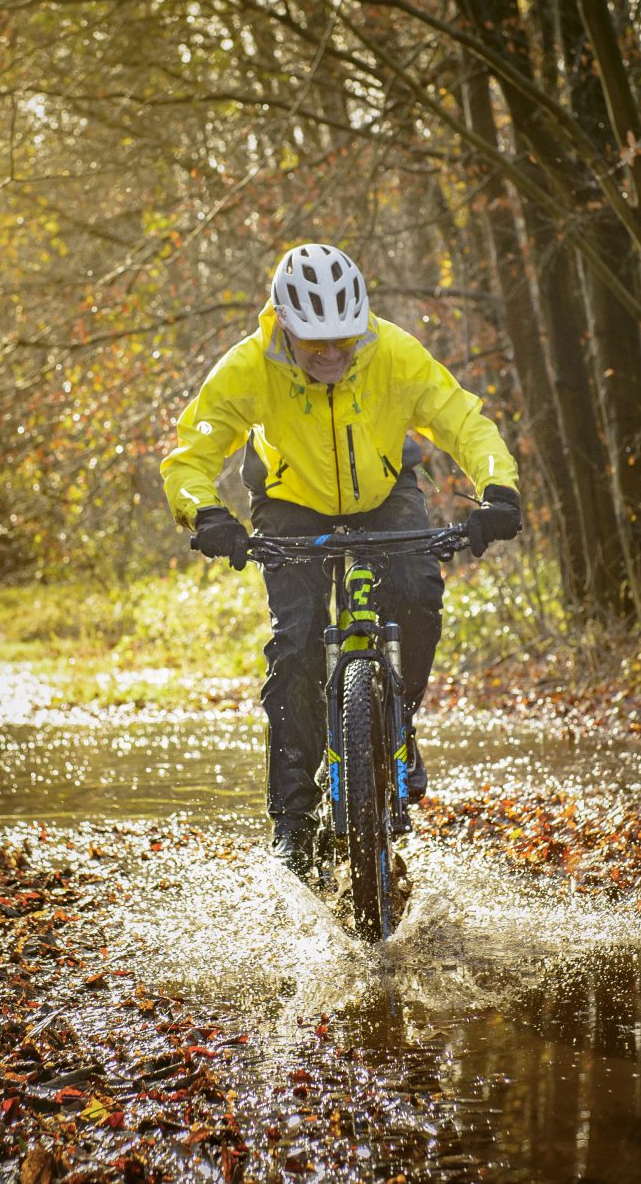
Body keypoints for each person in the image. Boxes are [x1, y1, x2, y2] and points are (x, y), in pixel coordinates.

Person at [159, 243, 522, 873]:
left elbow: (464, 421)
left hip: (384, 496)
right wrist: (207, 513)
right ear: (284, 328)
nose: (330, 356)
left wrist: (499, 489)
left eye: (343, 344)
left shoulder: (395, 353)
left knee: (417, 593)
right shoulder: (249, 366)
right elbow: (192, 453)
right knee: (296, 643)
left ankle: (398, 727)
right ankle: (293, 820)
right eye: (313, 345)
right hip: (290, 503)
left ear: (361, 329)